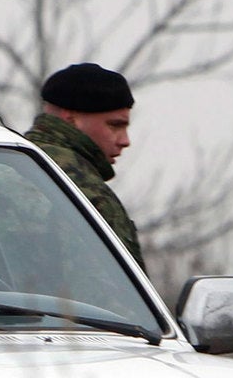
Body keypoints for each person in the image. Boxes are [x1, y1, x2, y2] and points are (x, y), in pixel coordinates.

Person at [23, 63, 144, 263]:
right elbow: (107, 290)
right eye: (115, 125)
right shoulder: (84, 191)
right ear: (71, 119)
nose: (125, 140)